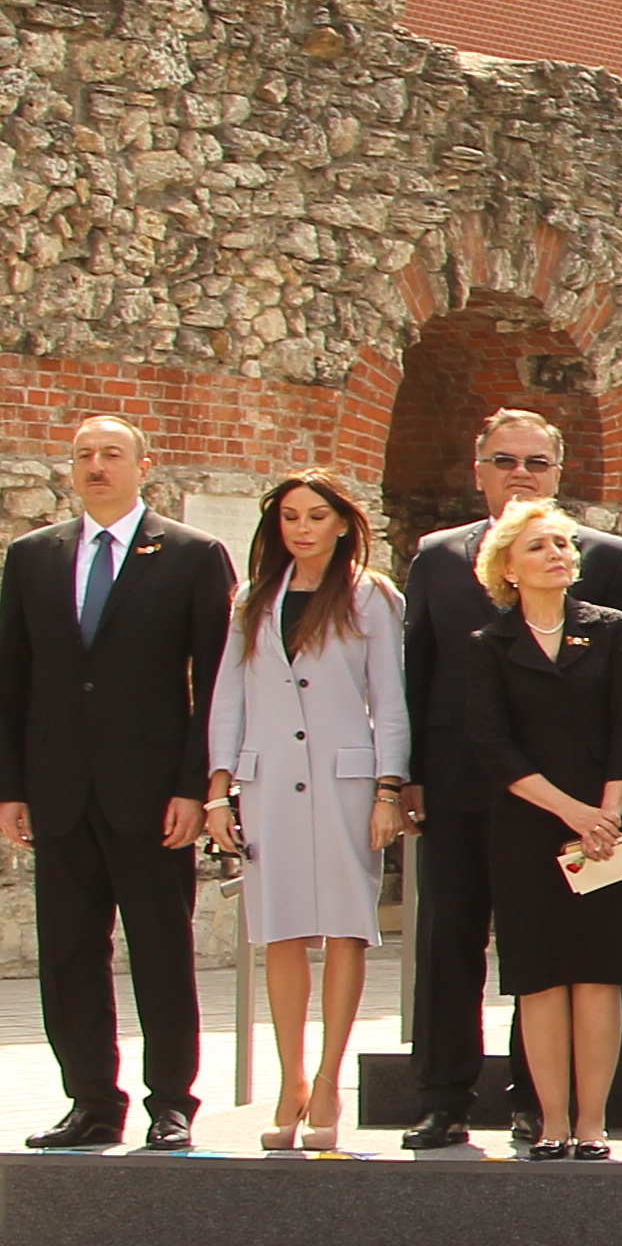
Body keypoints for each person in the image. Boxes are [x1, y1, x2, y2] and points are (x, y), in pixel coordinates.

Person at [397, 409, 622, 1151]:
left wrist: (599, 805)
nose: (520, 474)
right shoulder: (437, 557)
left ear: (558, 474)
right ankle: (444, 1098)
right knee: (450, 941)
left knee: (548, 954)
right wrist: (402, 778)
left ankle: (540, 1106)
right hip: (461, 786)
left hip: (570, 803)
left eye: (535, 462)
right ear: (479, 469)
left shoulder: (604, 556)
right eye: (504, 460)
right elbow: (417, 673)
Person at [3, 418, 235, 1153]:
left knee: (161, 948)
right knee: (70, 952)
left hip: (153, 791)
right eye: (83, 456)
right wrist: (12, 787)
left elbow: (216, 680)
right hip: (60, 788)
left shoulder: (194, 555)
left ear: (144, 466)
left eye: (111, 454)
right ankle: (91, 1103)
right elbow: (12, 678)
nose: (96, 466)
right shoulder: (33, 556)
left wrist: (194, 785)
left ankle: (171, 1102)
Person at [203, 470, 407, 1153]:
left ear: (342, 522)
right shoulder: (252, 600)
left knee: (347, 928)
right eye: (290, 517)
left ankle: (328, 1080)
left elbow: (391, 697)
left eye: (315, 516)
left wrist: (388, 788)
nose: (302, 529)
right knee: (280, 929)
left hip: (346, 781)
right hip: (268, 782)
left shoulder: (371, 596)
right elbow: (227, 699)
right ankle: (290, 1081)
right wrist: (218, 789)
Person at [445, 498, 622, 1159]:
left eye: (563, 544)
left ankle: (593, 1124)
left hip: (607, 831)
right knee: (541, 976)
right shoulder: (489, 647)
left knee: (598, 975)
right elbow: (493, 746)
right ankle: (552, 1123)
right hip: (530, 828)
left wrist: (607, 814)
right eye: (539, 546)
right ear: (507, 565)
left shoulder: (608, 629)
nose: (558, 555)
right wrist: (571, 812)